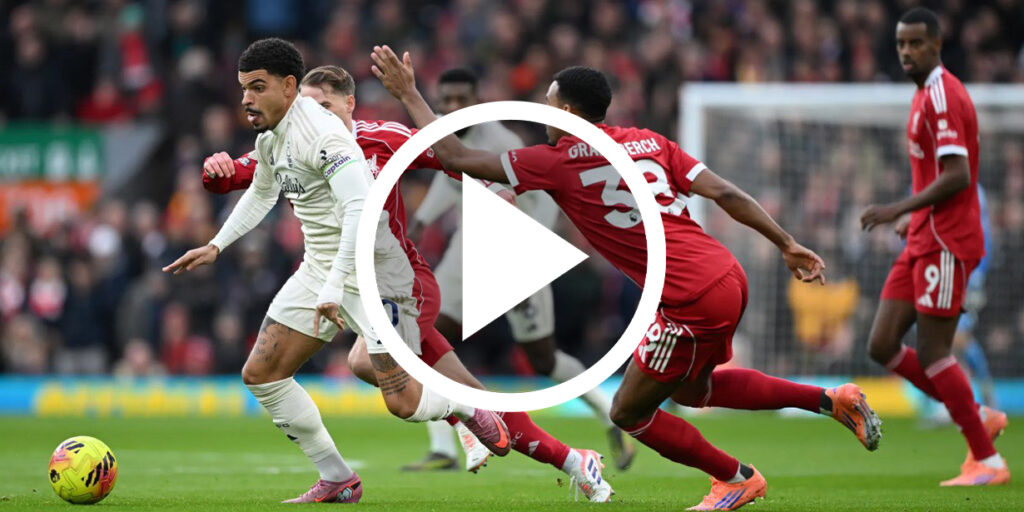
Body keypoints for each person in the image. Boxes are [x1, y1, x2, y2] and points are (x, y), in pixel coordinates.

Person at [371, 46, 881, 511]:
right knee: (694, 391)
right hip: (726, 273)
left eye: (550, 106)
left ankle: (735, 478)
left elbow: (456, 157)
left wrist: (409, 93)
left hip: (689, 297)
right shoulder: (649, 141)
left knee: (629, 413)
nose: (545, 116)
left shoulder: (555, 160)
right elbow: (725, 192)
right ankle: (829, 400)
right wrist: (786, 242)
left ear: (569, 113)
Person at [201, 63, 615, 501]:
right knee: (470, 394)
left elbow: (450, 158)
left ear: (350, 104)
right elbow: (236, 178)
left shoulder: (383, 138)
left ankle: (459, 417)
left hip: (396, 286)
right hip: (332, 280)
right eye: (307, 107)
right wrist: (216, 168)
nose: (314, 115)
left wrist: (498, 190)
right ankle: (572, 459)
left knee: (365, 363)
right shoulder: (291, 141)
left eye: (324, 106)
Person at [164, 38, 511, 504]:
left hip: (367, 273)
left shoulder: (325, 137)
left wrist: (334, 286)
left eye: (258, 87)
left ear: (289, 87)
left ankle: (464, 406)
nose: (246, 98)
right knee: (262, 373)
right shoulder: (271, 135)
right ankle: (337, 478)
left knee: (403, 403)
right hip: (319, 267)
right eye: (244, 87)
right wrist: (216, 244)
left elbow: (359, 212)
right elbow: (263, 192)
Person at [404, 67, 634, 472]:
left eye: (461, 100)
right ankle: (444, 447)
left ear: (477, 101)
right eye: (447, 100)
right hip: (468, 250)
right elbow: (447, 175)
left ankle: (609, 416)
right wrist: (421, 221)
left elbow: (540, 197)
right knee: (425, 335)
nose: (453, 107)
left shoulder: (501, 142)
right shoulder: (443, 131)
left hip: (516, 252)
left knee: (543, 359)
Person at [860, 7, 1008, 486]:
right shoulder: (923, 93)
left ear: (937, 45)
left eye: (916, 43)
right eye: (901, 44)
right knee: (882, 344)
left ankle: (988, 460)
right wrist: (914, 217)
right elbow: (936, 174)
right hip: (925, 234)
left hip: (948, 241)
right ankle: (976, 412)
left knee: (935, 352)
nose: (906, 52)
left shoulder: (942, 95)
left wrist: (898, 208)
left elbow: (959, 175)